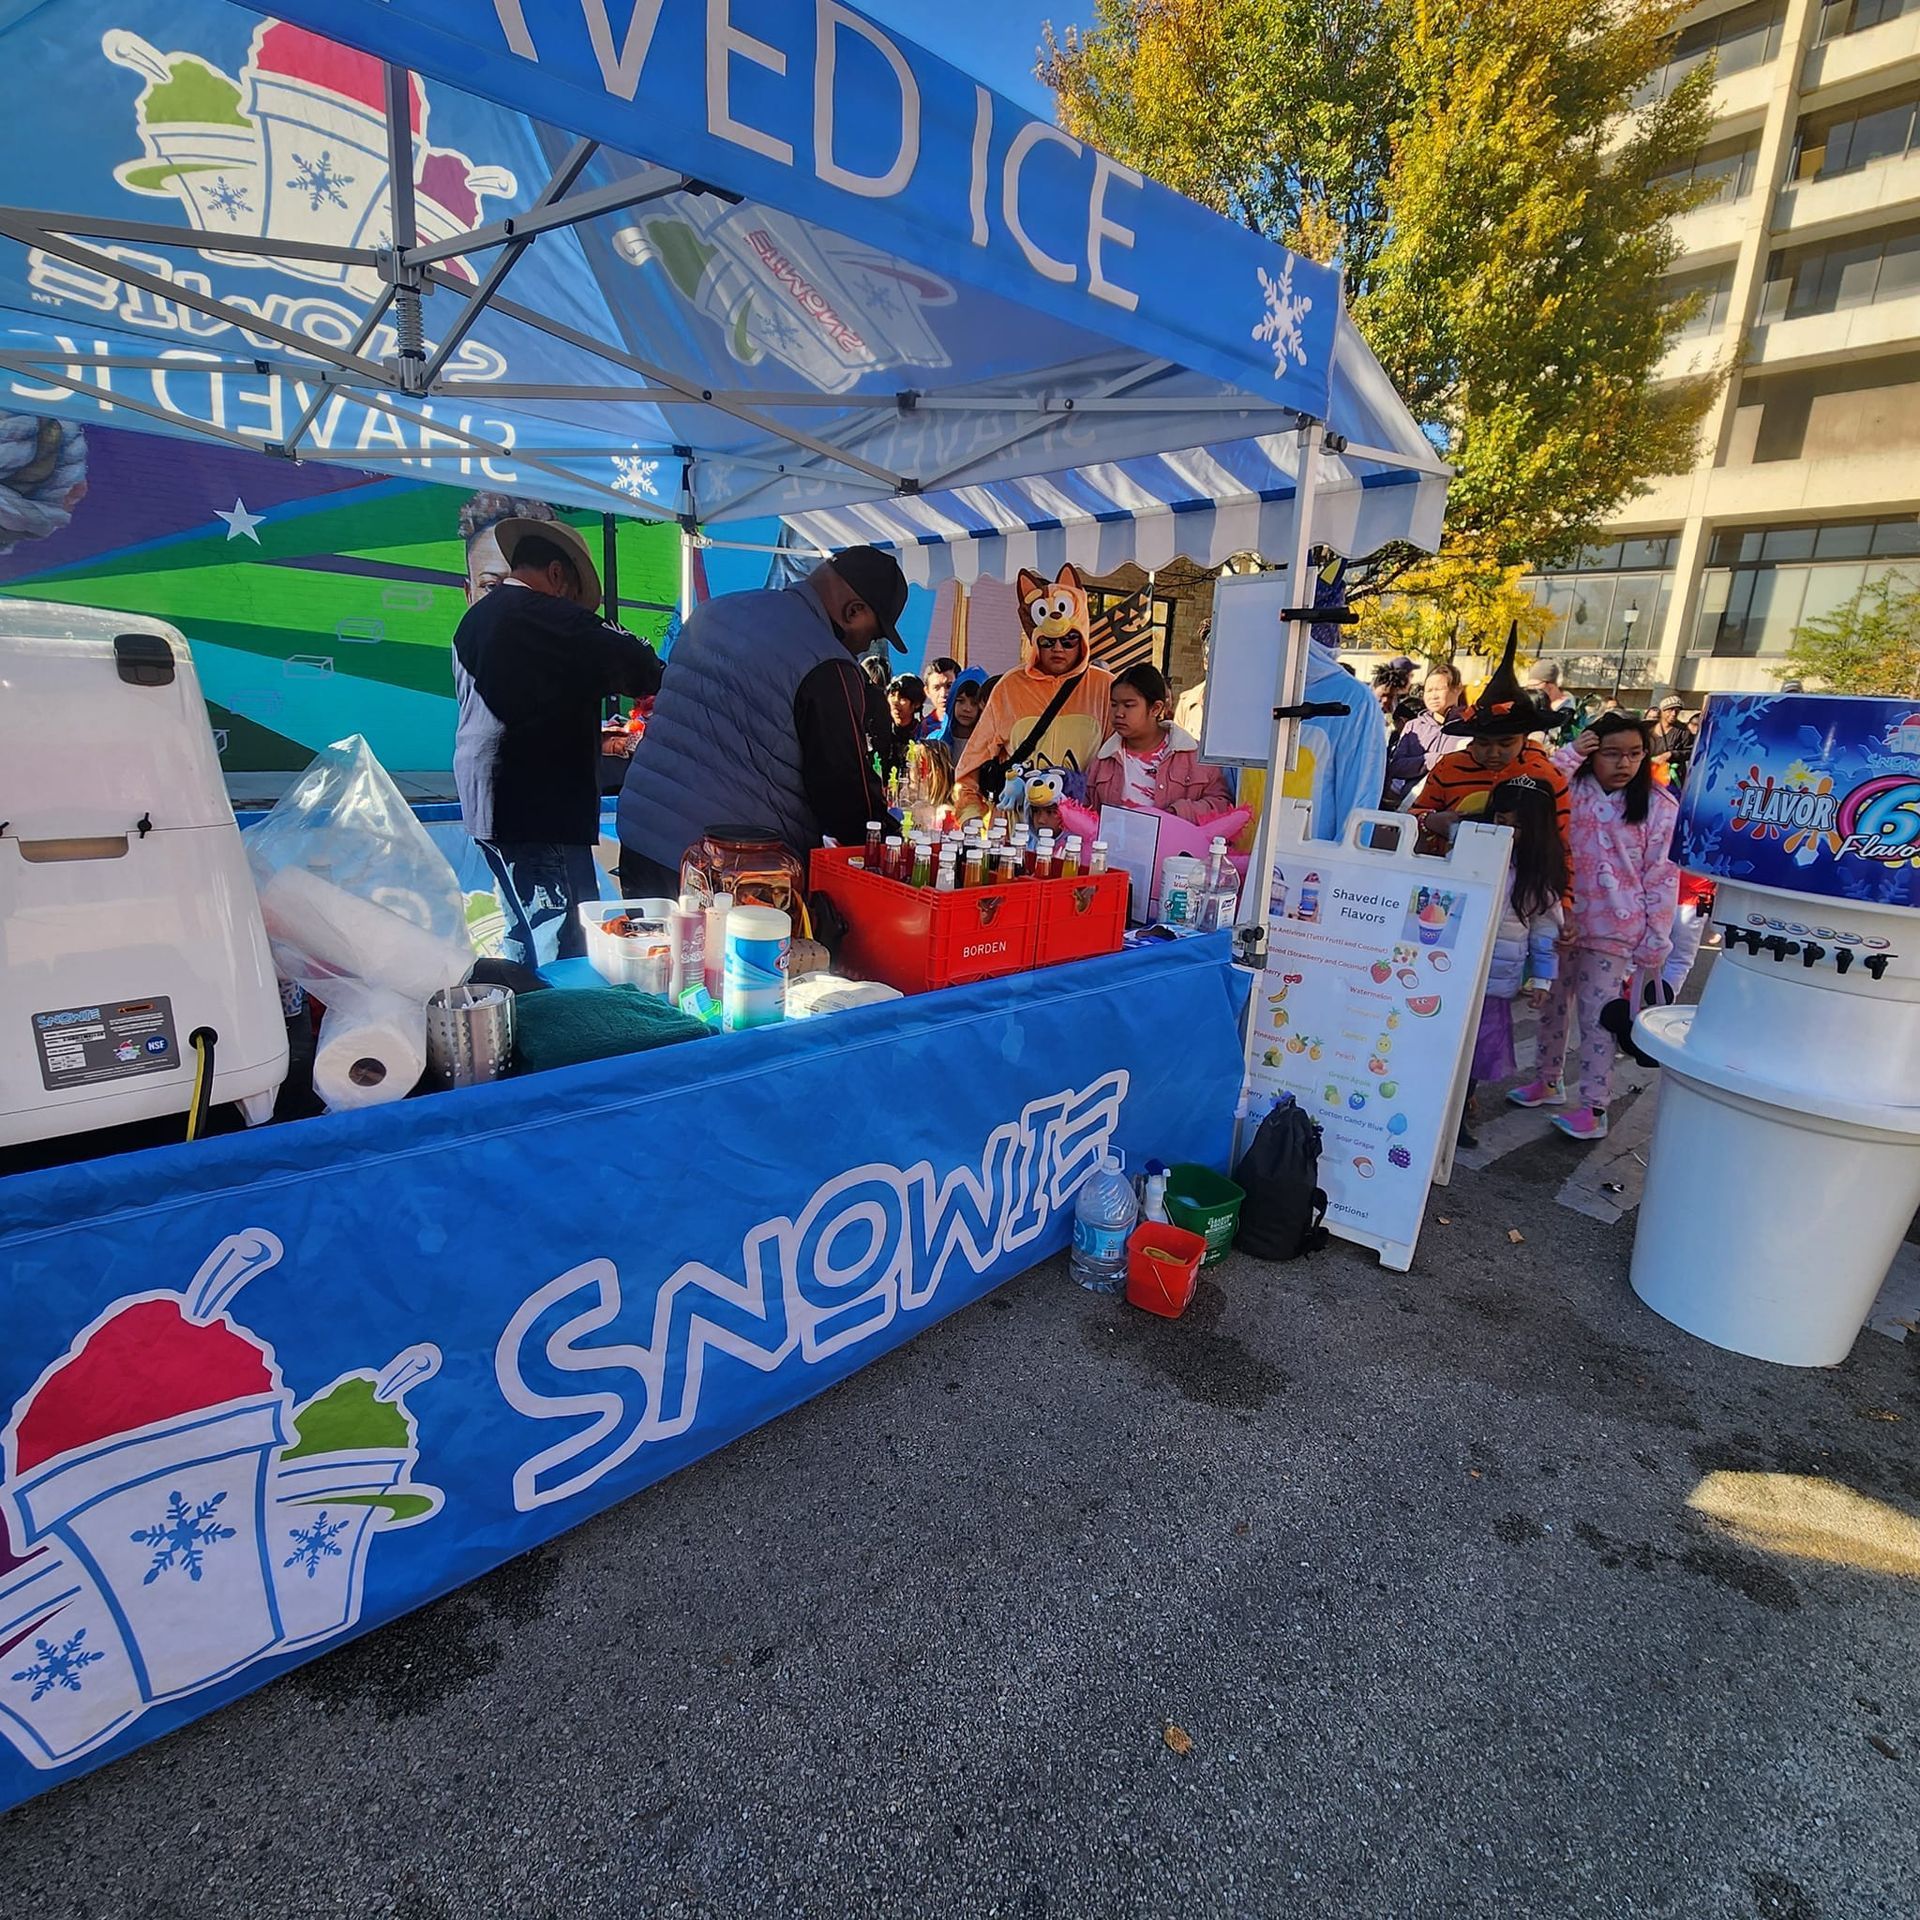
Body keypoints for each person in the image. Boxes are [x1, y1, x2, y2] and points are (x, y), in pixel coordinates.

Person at [616, 545, 905, 896]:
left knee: (653, 948)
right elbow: (844, 794)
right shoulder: (827, 663)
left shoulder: (715, 612)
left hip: (642, 836)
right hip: (726, 867)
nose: (863, 649)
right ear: (854, 611)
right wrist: (890, 845)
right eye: (872, 636)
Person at [452, 515, 664, 969]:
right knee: (563, 940)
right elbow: (644, 669)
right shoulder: (554, 619)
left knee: (519, 929)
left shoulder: (474, 621)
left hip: (484, 803)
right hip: (539, 808)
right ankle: (564, 1030)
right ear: (556, 575)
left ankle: (520, 1022)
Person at [1509, 713, 1680, 1142]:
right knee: (1549, 1006)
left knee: (1597, 1018)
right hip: (1561, 919)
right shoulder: (1574, 789)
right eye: (1611, 754)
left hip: (1616, 931)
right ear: (1591, 752)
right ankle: (1548, 1080)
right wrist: (1570, 754)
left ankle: (1595, 1105)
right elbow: (1539, 784)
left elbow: (1662, 878)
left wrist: (1656, 940)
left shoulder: (1660, 806)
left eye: (1635, 754)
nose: (1624, 763)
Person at [1408, 629, 1572, 876]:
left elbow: (1560, 844)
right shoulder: (1449, 767)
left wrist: (1564, 903)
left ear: (1525, 737)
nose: (1493, 752)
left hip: (1520, 890)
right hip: (1448, 879)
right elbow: (1412, 816)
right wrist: (1431, 821)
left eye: (1505, 744)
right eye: (1483, 743)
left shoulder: (1547, 777)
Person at [955, 563, 1115, 815]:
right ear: (1034, 640)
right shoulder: (1009, 686)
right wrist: (970, 817)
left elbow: (1121, 763)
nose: (1058, 649)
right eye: (1047, 641)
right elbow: (970, 765)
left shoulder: (1105, 687)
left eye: (1069, 639)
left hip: (1078, 832)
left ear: (1082, 636)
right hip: (1015, 832)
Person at [1460, 775, 1566, 1147]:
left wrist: (1543, 978)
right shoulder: (1469, 853)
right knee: (1445, 1046)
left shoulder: (1538, 877)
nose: (1505, 830)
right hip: (1455, 973)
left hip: (1495, 982)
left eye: (1517, 825)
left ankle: (1458, 1117)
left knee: (1476, 1053)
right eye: (1500, 820)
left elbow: (1544, 931)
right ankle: (1439, 1111)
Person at [1084, 662, 1235, 819]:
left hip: (1177, 843)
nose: (1118, 713)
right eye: (1114, 705)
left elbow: (1221, 804)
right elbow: (1087, 812)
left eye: (1129, 705)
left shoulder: (1193, 755)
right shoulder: (1103, 760)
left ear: (1155, 708)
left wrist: (1178, 813)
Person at [1383, 661, 1465, 807]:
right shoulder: (1414, 726)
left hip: (1454, 806)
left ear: (1457, 689)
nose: (1433, 696)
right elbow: (1396, 767)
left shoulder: (1470, 726)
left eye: (1439, 689)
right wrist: (1430, 760)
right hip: (1413, 806)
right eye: (1429, 690)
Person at [930, 664, 987, 764]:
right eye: (960, 701)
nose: (967, 709)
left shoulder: (989, 747)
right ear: (952, 702)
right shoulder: (935, 742)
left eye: (974, 703)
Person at [1525, 660, 1582, 743]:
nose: (1532, 690)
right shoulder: (1532, 705)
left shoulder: (1576, 709)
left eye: (1535, 685)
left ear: (1550, 684)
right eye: (1528, 687)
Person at [884, 673, 926, 773]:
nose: (895, 702)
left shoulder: (923, 734)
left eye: (902, 698)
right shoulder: (881, 731)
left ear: (916, 704)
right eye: (892, 695)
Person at [1647, 695, 1692, 784]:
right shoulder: (1648, 728)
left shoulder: (1683, 730)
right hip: (1648, 772)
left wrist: (1672, 754)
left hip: (1671, 778)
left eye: (1677, 710)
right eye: (1670, 710)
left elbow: (1690, 751)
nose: (1673, 714)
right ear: (1662, 711)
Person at [921, 656, 960, 737]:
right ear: (927, 691)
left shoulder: (971, 722)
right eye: (936, 688)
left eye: (949, 686)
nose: (943, 694)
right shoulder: (924, 729)